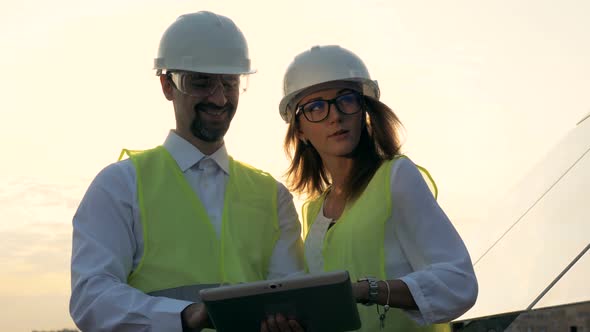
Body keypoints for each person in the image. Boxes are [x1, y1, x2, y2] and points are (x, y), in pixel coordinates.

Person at [70, 11, 304, 332]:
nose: (219, 97)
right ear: (167, 85)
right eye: (201, 82)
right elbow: (91, 297)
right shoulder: (120, 185)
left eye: (229, 82)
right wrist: (184, 315)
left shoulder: (273, 196)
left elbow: (291, 296)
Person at [278, 45, 478, 331]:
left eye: (346, 100)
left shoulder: (396, 177)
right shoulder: (312, 212)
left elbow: (458, 282)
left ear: (364, 111)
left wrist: (366, 290)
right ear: (299, 130)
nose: (335, 116)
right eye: (315, 107)